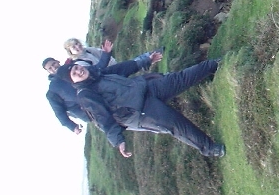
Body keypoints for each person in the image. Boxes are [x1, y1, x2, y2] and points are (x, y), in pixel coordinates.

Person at [58, 57, 225, 158]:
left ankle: (214, 64)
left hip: (145, 88)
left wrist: (146, 60)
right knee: (176, 124)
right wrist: (118, 141)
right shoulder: (85, 95)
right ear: (72, 81)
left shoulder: (96, 73)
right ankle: (211, 149)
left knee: (178, 79)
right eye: (74, 74)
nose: (79, 71)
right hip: (140, 112)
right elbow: (103, 118)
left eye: (77, 67)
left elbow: (122, 68)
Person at [43, 40, 162, 133]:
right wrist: (72, 127)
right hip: (98, 112)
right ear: (48, 72)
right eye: (50, 68)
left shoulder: (75, 68)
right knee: (140, 121)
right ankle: (163, 126)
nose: (54, 67)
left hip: (111, 94)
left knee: (142, 95)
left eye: (53, 64)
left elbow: (98, 69)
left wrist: (106, 54)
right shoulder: (52, 91)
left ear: (57, 61)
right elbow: (59, 113)